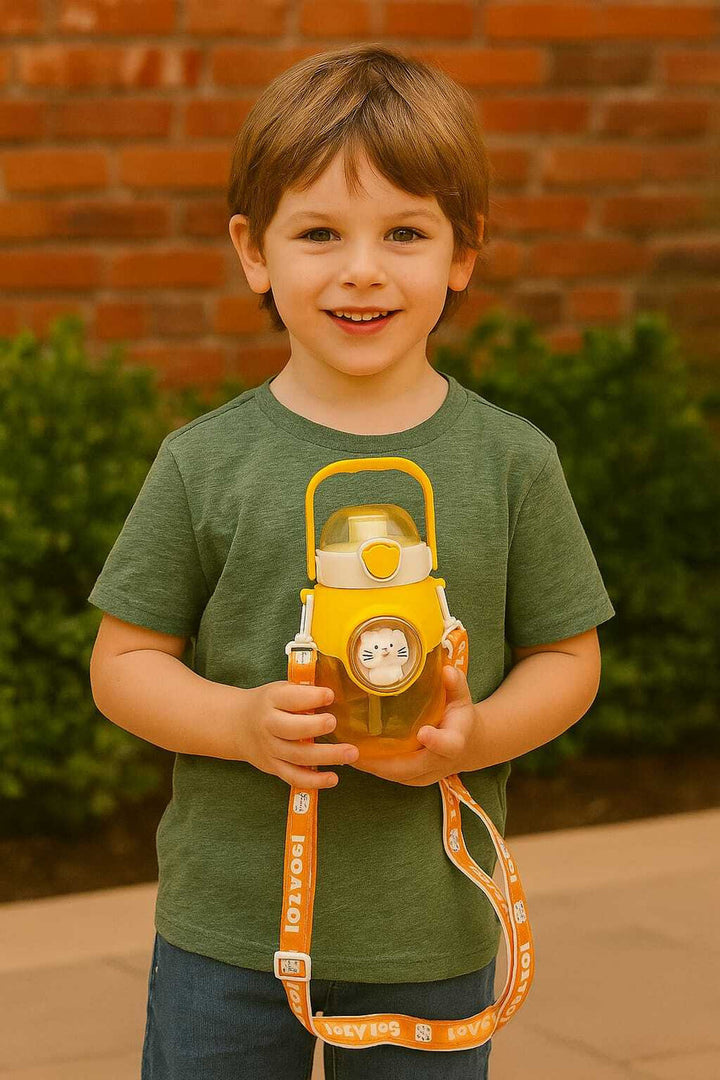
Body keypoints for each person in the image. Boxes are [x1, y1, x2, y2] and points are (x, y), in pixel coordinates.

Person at [87, 42, 615, 1080]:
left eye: (406, 232)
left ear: (463, 253)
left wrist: (478, 734)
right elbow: (122, 662)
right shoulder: (204, 463)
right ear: (255, 252)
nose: (362, 268)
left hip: (432, 927)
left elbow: (570, 657)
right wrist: (238, 723)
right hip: (229, 928)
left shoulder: (512, 462)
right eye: (319, 232)